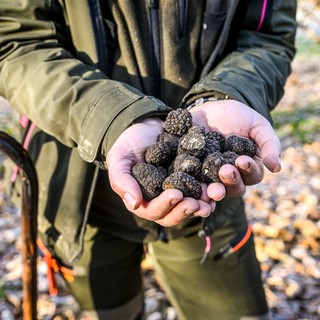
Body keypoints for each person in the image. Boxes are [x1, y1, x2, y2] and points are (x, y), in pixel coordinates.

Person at [0, 1, 297, 319]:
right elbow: (14, 40)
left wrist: (230, 93)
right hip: (79, 193)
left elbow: (267, 35)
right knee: (111, 311)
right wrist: (112, 118)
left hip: (210, 203)